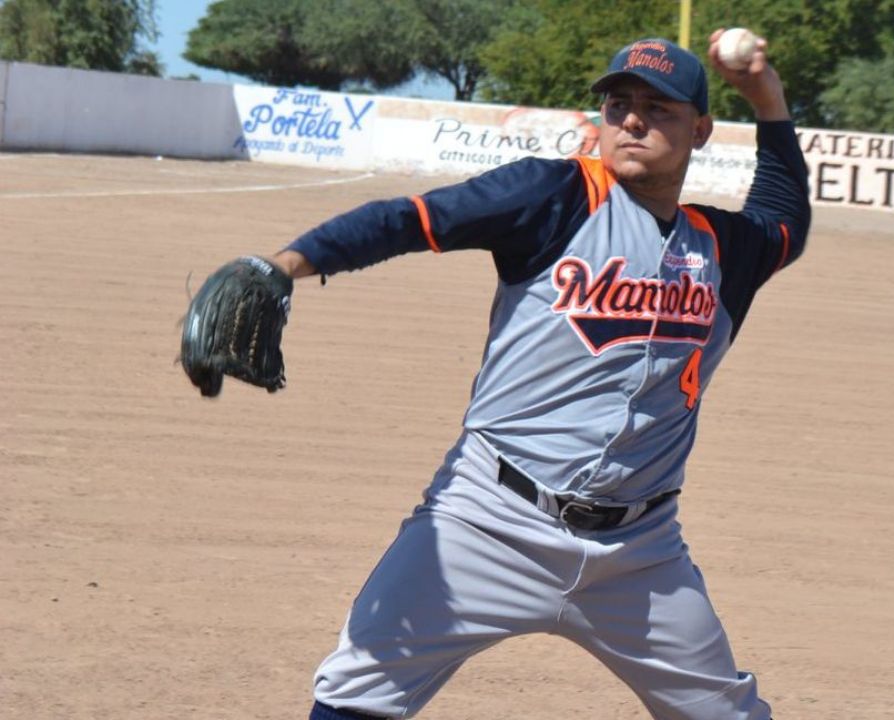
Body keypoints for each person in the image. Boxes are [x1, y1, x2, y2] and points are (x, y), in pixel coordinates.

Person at [272, 30, 810, 720]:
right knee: (357, 693)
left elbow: (784, 215)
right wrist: (286, 265)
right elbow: (411, 221)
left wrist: (767, 97)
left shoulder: (722, 250)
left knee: (726, 715)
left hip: (641, 555)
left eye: (660, 106)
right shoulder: (555, 196)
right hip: (489, 519)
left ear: (701, 131)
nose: (634, 119)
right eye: (619, 104)